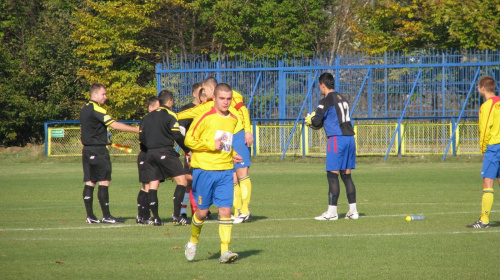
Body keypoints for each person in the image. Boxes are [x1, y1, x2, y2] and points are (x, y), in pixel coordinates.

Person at [178, 77, 254, 224]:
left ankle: (245, 210)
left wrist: (247, 131)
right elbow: (194, 111)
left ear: (211, 89)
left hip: (238, 134)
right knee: (232, 175)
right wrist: (172, 117)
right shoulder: (210, 104)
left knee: (242, 172)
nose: (202, 94)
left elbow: (243, 110)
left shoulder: (233, 96)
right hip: (226, 137)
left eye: (204, 90)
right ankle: (238, 209)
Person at [184, 83, 242, 264]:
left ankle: (225, 251)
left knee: (225, 210)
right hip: (205, 171)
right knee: (202, 212)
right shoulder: (204, 116)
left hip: (225, 171)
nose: (226, 102)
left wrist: (232, 154)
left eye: (228, 99)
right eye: (222, 99)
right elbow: (189, 139)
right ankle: (193, 240)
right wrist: (210, 144)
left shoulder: (233, 118)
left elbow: (225, 141)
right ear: (214, 98)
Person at [80, 83, 139, 224]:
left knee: (90, 182)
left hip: (87, 150)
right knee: (104, 181)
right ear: (94, 95)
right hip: (99, 150)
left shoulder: (83, 110)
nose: (105, 97)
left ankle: (90, 216)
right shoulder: (98, 109)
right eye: (103, 94)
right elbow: (114, 125)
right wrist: (137, 130)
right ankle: (106, 216)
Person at [305, 73, 359, 221]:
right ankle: (353, 211)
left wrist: (310, 120)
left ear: (323, 84)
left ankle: (332, 212)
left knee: (332, 174)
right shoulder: (343, 98)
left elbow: (316, 122)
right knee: (346, 175)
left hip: (337, 139)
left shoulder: (326, 100)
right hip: (349, 138)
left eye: (319, 86)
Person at [139, 90, 190, 226]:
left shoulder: (147, 117)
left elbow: (141, 137)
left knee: (153, 185)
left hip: (150, 153)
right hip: (166, 151)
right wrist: (187, 150)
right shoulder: (170, 115)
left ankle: (155, 218)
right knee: (182, 181)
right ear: (170, 101)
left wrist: (150, 148)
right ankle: (177, 215)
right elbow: (177, 135)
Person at [467, 76, 500, 228]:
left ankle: (484, 220)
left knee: (487, 183)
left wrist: (482, 147)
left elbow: (486, 128)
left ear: (482, 87)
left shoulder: (487, 105)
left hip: (493, 147)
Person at [178, 82, 203, 220]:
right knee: (189, 182)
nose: (203, 95)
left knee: (203, 181)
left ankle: (201, 210)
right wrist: (188, 149)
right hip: (192, 151)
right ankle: (182, 211)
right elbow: (180, 130)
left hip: (206, 151)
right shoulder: (187, 110)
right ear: (194, 93)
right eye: (200, 92)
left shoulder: (208, 109)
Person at [136, 96, 160, 225]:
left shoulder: (154, 121)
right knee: (147, 186)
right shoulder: (146, 120)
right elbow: (142, 138)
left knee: (147, 186)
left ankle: (143, 216)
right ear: (150, 108)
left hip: (150, 154)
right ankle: (143, 216)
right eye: (157, 108)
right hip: (146, 155)